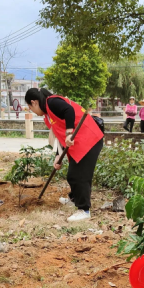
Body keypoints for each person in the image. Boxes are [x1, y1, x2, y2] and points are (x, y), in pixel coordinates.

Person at [25, 88, 104, 222]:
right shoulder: (48, 115)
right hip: (77, 142)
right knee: (73, 174)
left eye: (29, 107)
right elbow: (59, 135)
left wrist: (69, 133)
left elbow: (69, 111)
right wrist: (58, 155)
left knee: (79, 175)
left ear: (34, 102)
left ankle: (84, 210)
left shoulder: (52, 102)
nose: (31, 110)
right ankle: (74, 199)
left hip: (89, 139)